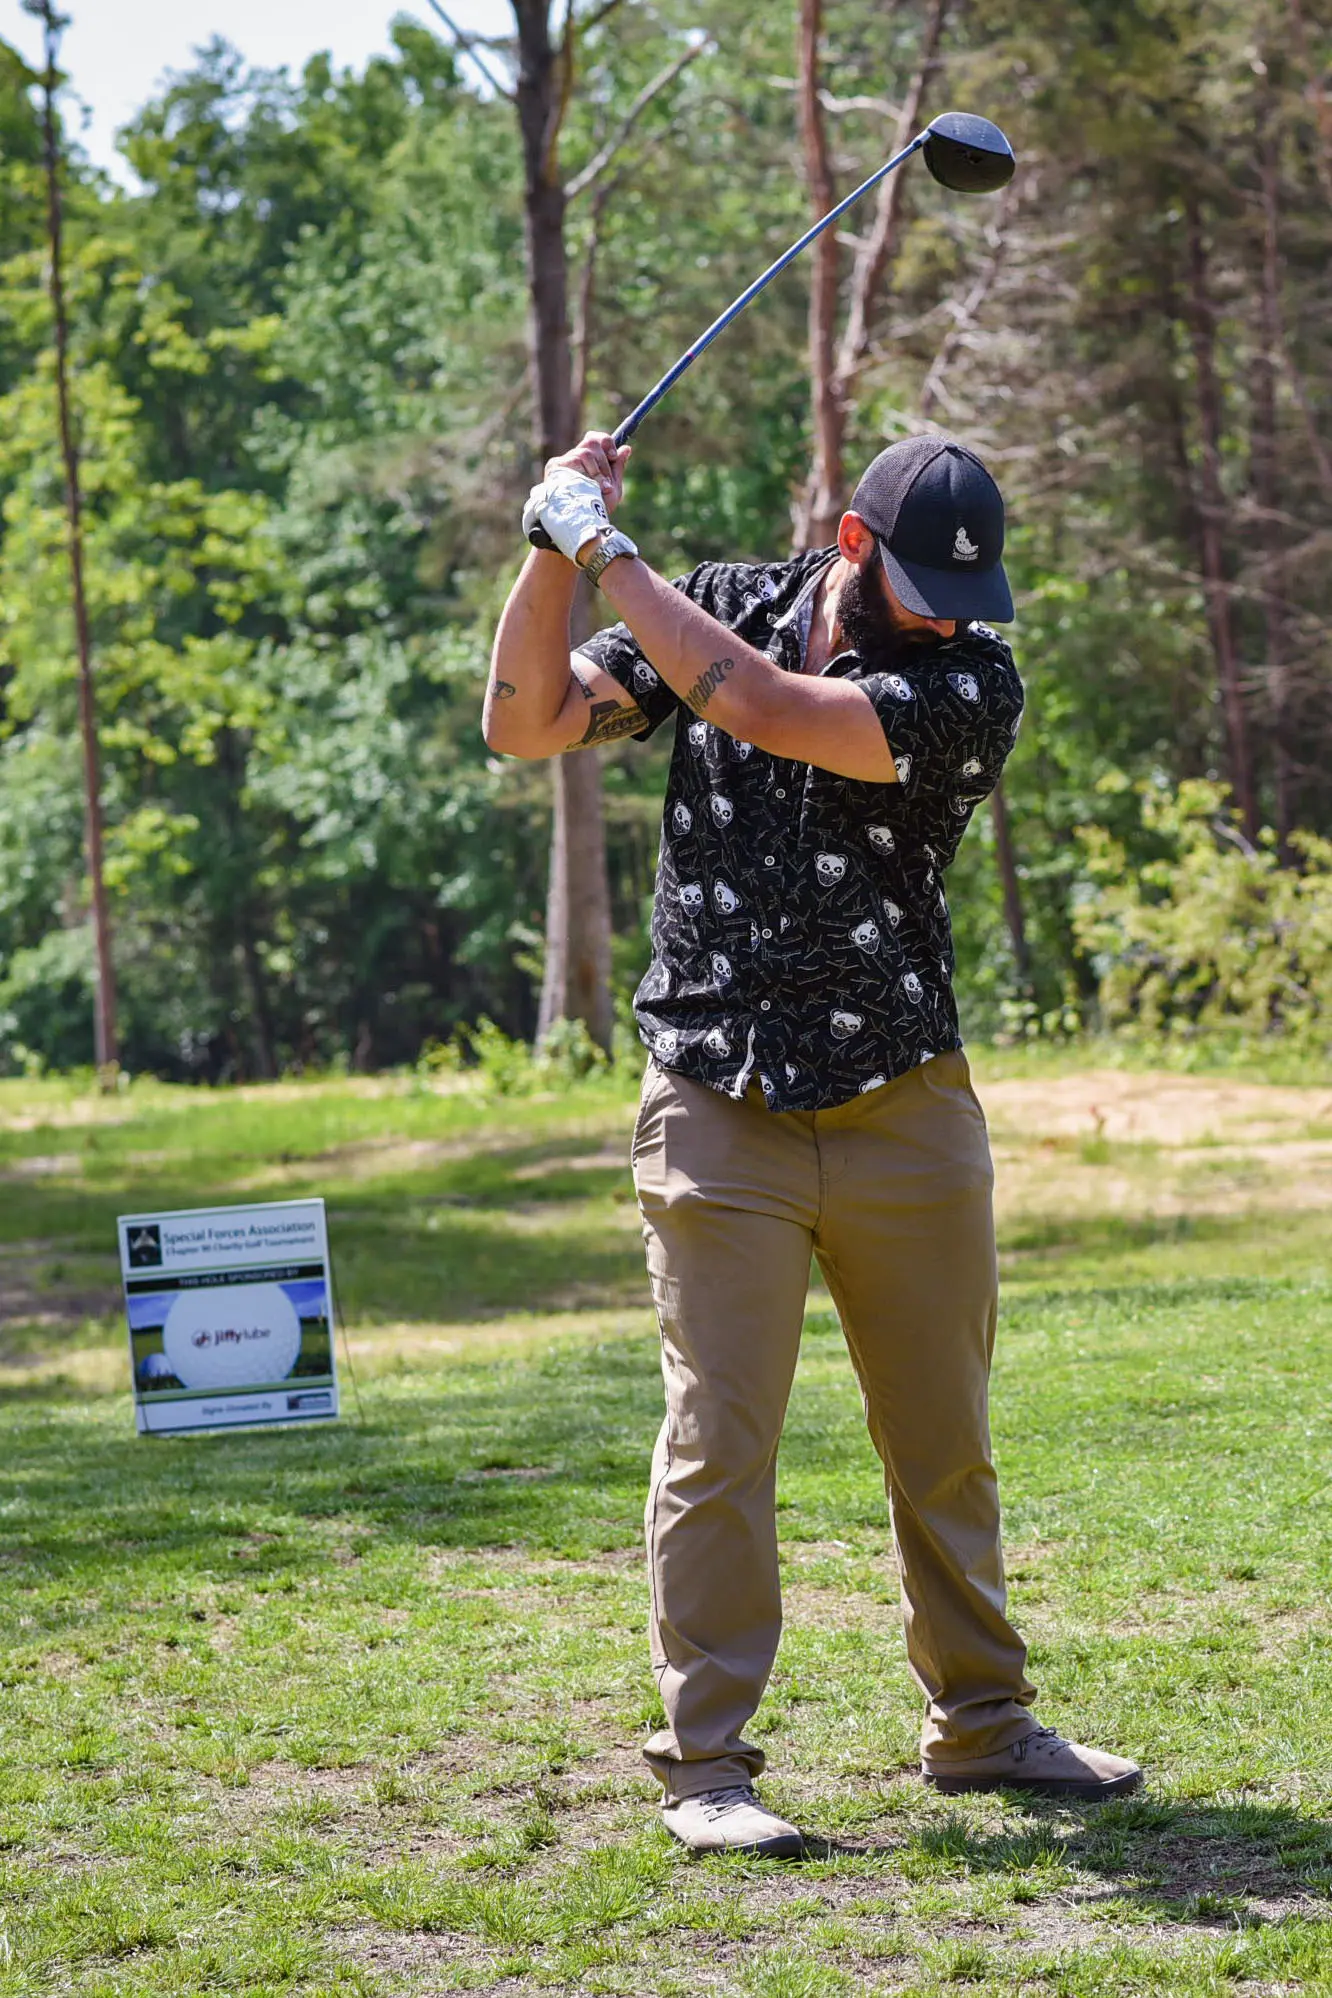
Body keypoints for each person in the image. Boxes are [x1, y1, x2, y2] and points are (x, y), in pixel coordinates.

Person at [484, 428, 1142, 1857]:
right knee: (717, 1440)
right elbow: (527, 721)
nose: (947, 613)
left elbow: (774, 709)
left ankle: (984, 1724)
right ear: (854, 545)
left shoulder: (971, 683)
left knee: (943, 1441)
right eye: (918, 584)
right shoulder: (732, 595)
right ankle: (706, 1765)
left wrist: (605, 547)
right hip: (719, 1099)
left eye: (968, 594)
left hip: (904, 1098)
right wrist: (549, 548)